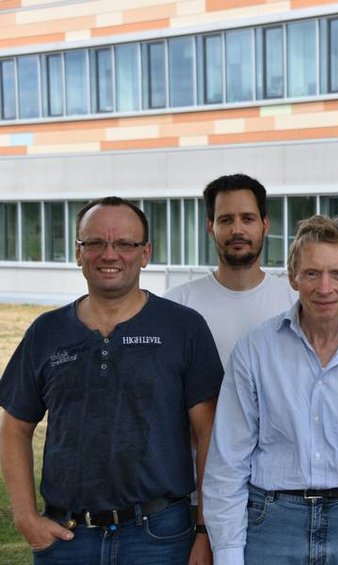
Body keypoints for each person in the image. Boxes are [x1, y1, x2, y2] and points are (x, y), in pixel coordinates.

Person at [0, 197, 223, 564]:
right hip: (68, 539)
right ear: (78, 252)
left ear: (145, 252)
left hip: (161, 537)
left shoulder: (183, 328)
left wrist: (204, 530)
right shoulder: (47, 332)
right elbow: (15, 427)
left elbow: (210, 433)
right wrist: (25, 516)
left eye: (124, 243)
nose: (110, 254)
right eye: (95, 243)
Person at [203, 215, 338, 565]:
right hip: (272, 524)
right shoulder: (255, 349)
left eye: (337, 274)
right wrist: (228, 555)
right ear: (292, 277)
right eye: (311, 273)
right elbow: (228, 463)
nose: (324, 288)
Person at [165, 173, 297, 367]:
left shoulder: (295, 303)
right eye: (226, 220)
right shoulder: (176, 305)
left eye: (248, 219)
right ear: (210, 227)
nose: (237, 230)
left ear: (265, 225)